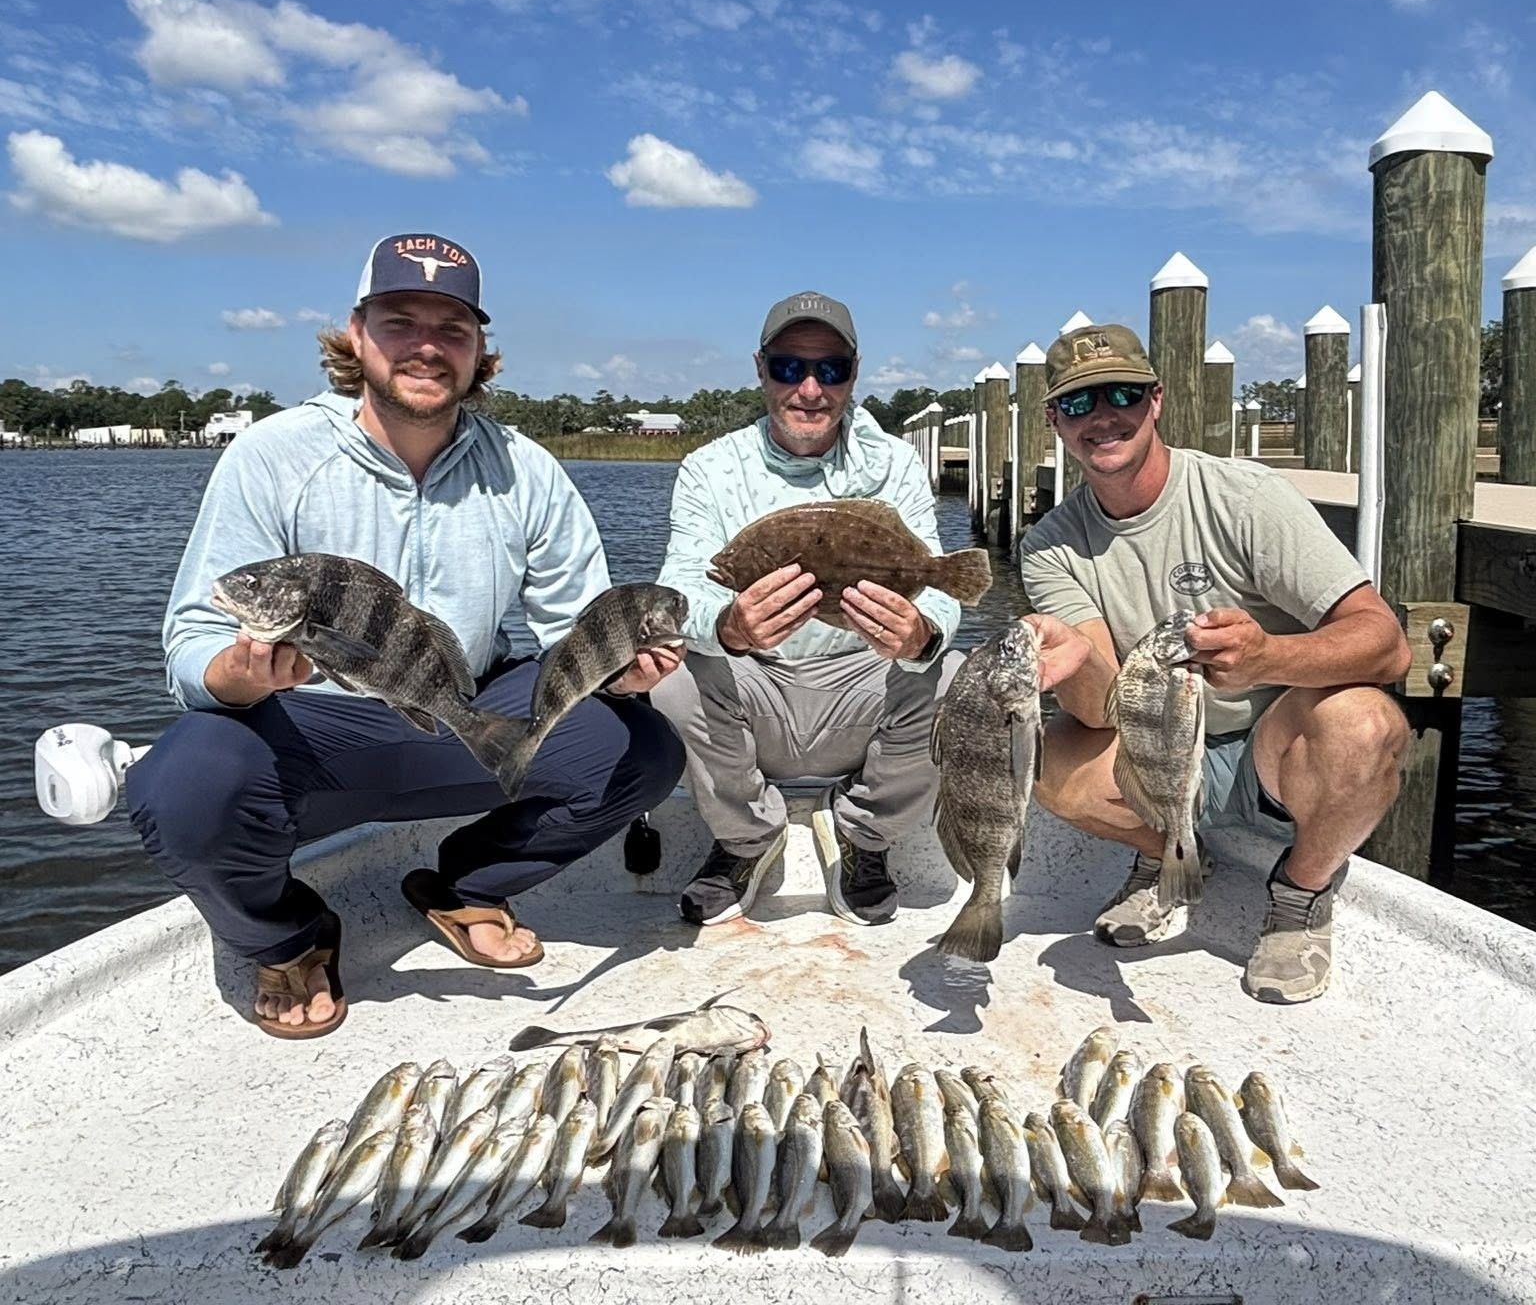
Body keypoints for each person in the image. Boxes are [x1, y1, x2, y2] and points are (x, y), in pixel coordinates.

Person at [126, 232, 685, 1040]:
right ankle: (286, 935)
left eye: (452, 329)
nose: (427, 346)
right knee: (180, 785)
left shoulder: (526, 468)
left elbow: (578, 629)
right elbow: (189, 642)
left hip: (460, 711)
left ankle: (468, 884)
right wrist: (240, 675)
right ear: (356, 335)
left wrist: (623, 671)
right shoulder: (272, 454)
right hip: (308, 727)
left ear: (479, 350)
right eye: (400, 322)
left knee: (643, 750)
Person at [1017, 323, 1411, 1004]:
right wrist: (1075, 661)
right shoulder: (1049, 547)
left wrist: (1267, 657)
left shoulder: (1245, 498)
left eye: (1121, 394)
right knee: (1042, 756)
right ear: (1055, 420)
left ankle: (1301, 894)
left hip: (1273, 754)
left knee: (1367, 723)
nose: (1102, 416)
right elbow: (1098, 711)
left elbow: (1387, 643)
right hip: (1159, 749)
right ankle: (1168, 856)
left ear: (1156, 400)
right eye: (1079, 403)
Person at [651, 290, 966, 929]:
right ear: (761, 369)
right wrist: (729, 625)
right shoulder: (710, 468)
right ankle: (747, 839)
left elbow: (936, 583)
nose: (811, 389)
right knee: (673, 675)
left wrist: (920, 633)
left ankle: (863, 835)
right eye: (790, 367)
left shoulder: (896, 463)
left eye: (832, 369)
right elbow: (681, 589)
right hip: (756, 684)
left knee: (958, 677)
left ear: (854, 373)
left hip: (862, 683)